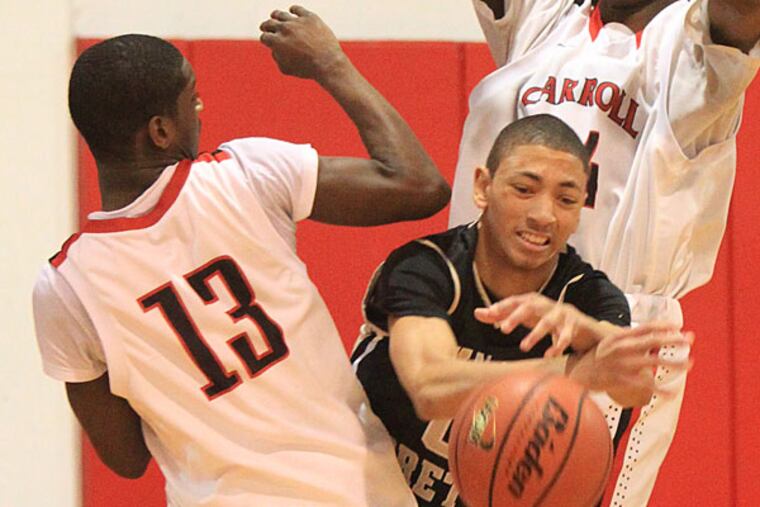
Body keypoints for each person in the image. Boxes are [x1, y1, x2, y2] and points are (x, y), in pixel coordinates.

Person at [32, 6, 450, 506]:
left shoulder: (64, 286)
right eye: (194, 99)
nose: (201, 108)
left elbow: (125, 458)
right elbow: (419, 185)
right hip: (354, 492)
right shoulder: (243, 176)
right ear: (161, 131)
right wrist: (330, 63)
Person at [448, 0, 759, 504]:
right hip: (486, 315)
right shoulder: (548, 19)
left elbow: (741, 15)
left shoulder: (688, 43)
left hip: (608, 330)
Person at [352, 114, 692, 506]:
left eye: (566, 199)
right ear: (483, 186)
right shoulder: (428, 267)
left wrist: (590, 333)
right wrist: (570, 372)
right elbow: (431, 387)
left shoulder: (588, 295)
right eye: (524, 189)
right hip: (363, 484)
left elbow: (635, 387)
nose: (544, 215)